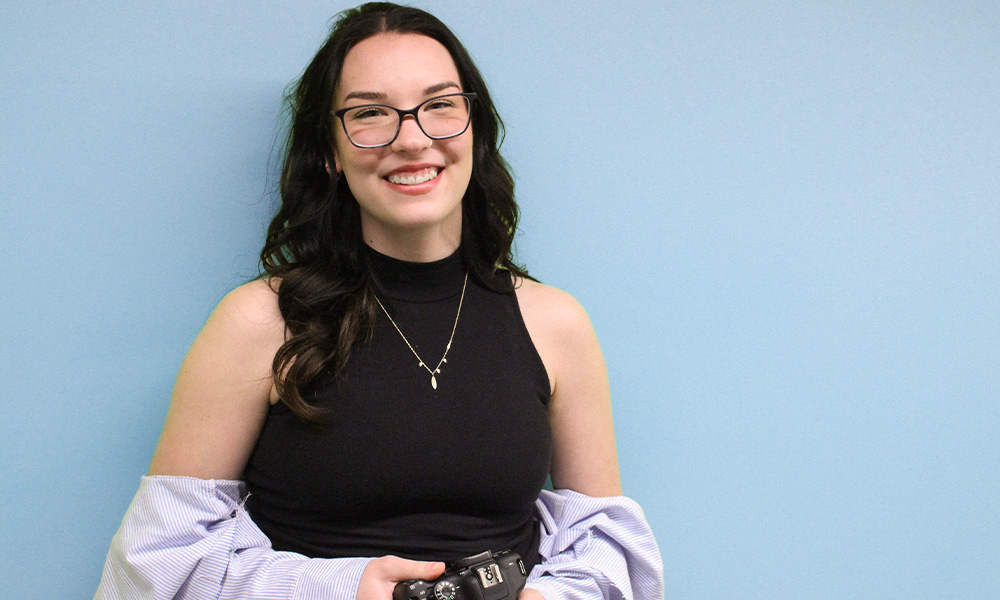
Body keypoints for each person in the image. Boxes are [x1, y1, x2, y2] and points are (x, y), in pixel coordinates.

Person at [95, 3, 662, 599]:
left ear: (476, 127)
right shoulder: (259, 321)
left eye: (440, 105)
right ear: (329, 152)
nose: (413, 140)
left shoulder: (555, 323)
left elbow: (604, 548)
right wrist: (340, 589)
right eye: (371, 114)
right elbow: (157, 566)